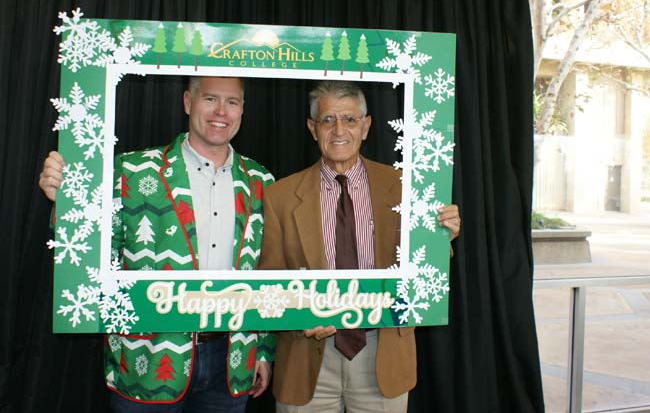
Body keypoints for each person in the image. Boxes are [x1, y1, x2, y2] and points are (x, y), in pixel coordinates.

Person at [39, 76, 273, 412]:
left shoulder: (261, 181)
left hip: (231, 361)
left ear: (242, 110)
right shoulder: (131, 171)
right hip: (145, 360)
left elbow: (268, 271)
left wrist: (263, 351)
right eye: (210, 99)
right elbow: (89, 249)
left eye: (232, 102)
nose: (221, 111)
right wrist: (66, 199)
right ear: (188, 102)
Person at [258, 81, 460, 412]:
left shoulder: (405, 188)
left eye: (350, 120)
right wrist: (300, 316)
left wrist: (442, 239)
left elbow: (425, 269)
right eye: (328, 120)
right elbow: (270, 279)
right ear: (312, 128)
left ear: (366, 127)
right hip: (307, 357)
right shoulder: (279, 196)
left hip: (383, 354)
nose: (339, 130)